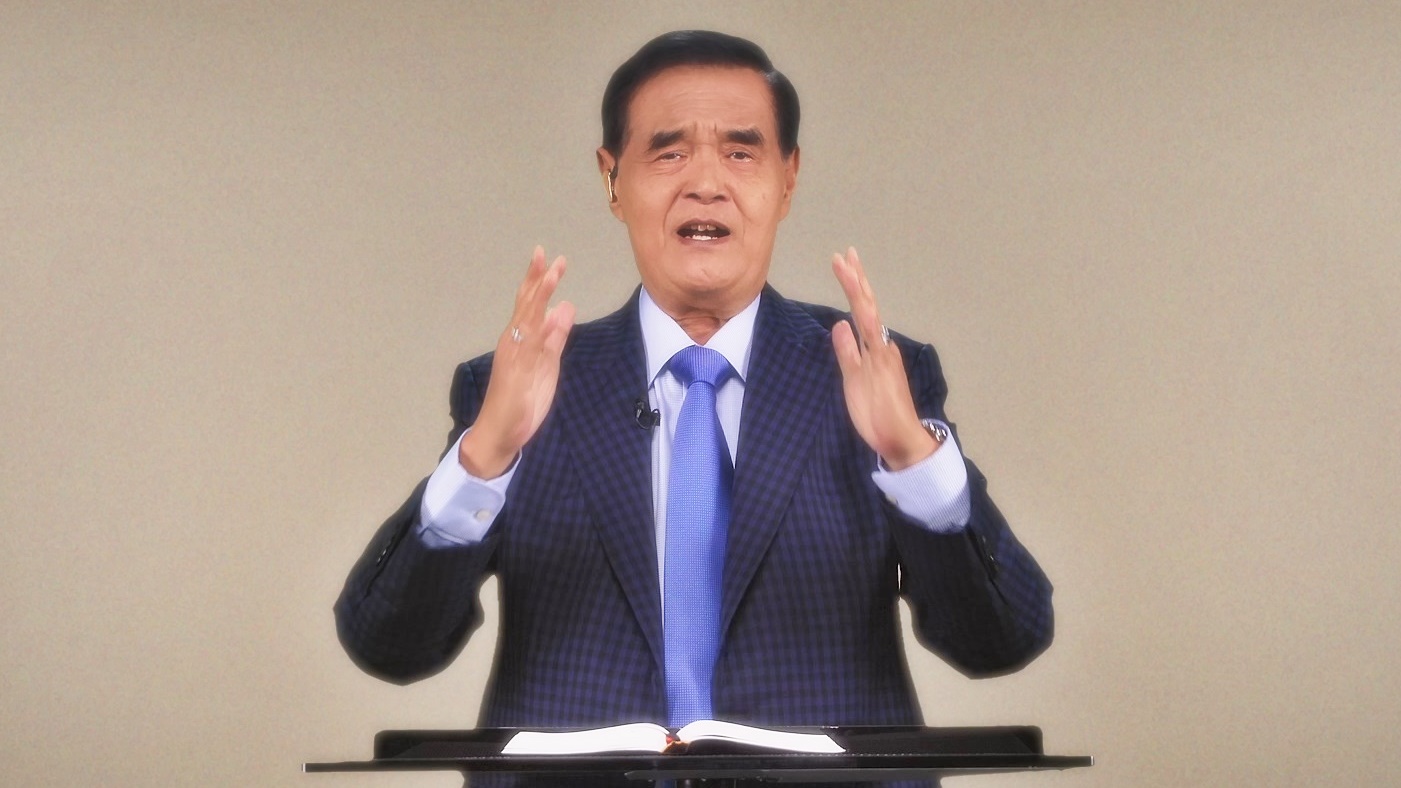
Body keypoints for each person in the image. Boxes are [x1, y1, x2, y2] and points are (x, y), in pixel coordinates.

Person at [336, 30, 1053, 788]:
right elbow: (390, 647)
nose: (705, 183)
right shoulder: (520, 387)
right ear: (613, 180)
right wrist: (485, 458)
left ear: (787, 179)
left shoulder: (878, 373)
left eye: (741, 153)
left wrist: (912, 459)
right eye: (669, 153)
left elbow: (1001, 641)